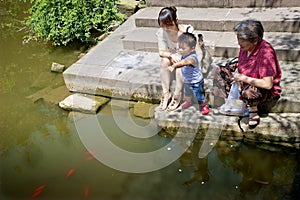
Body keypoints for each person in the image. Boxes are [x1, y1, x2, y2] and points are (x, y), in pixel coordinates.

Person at [231, 19, 282, 128]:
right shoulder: (245, 47)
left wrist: (242, 78)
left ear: (254, 41)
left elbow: (267, 84)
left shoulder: (266, 53)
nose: (238, 42)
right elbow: (241, 65)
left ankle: (253, 111)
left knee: (249, 92)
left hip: (262, 89)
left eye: (241, 40)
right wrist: (237, 74)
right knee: (220, 72)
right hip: (245, 80)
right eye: (238, 38)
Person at [157, 6, 203, 111]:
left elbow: (196, 52)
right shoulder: (162, 32)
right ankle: (166, 94)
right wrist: (171, 55)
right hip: (172, 60)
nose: (166, 29)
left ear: (176, 21)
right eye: (163, 26)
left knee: (180, 67)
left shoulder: (187, 31)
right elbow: (161, 52)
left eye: (169, 25)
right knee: (164, 61)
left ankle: (177, 95)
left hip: (188, 62)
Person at [169, 32, 210, 115]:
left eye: (183, 48)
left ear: (192, 48)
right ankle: (188, 102)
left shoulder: (192, 58)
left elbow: (184, 62)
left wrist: (174, 66)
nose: (180, 50)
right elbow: (179, 56)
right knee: (187, 92)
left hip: (196, 81)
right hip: (187, 80)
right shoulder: (184, 54)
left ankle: (204, 105)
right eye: (179, 47)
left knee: (199, 95)